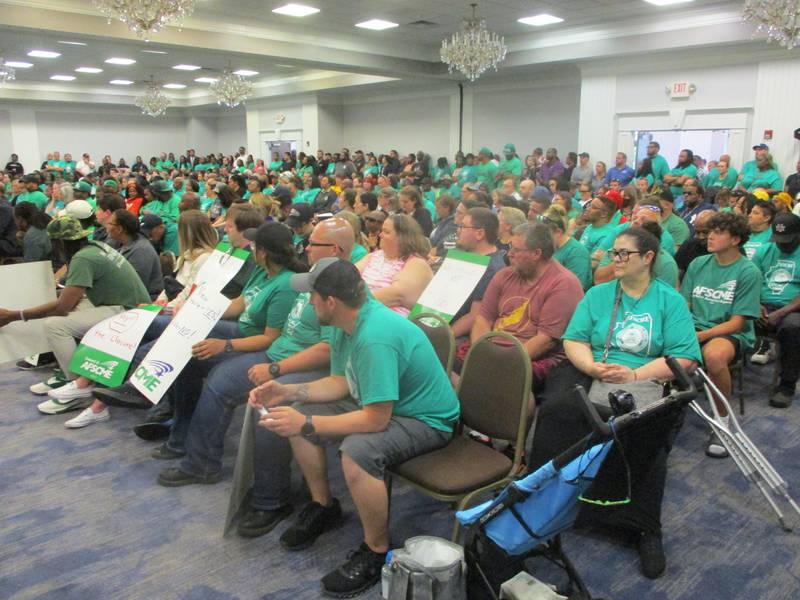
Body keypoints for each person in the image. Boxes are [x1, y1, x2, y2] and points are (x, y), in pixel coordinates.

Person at [248, 257, 460, 598]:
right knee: (299, 413)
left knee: (356, 452)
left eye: (313, 295)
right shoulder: (344, 322)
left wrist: (307, 423)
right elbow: (339, 382)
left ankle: (376, 552)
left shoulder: (374, 336)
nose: (309, 301)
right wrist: (289, 391)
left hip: (427, 419)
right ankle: (324, 506)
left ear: (330, 301)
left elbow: (375, 420)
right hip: (387, 405)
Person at [531, 225, 701, 580]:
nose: (616, 259)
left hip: (646, 375)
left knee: (643, 432)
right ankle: (549, 501)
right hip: (595, 369)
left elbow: (683, 357)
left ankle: (644, 528)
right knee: (556, 412)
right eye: (614, 253)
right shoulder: (598, 294)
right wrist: (592, 366)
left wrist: (634, 376)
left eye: (624, 253)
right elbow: (575, 340)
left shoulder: (669, 300)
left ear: (649, 258)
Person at [0, 216, 150, 419]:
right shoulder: (95, 247)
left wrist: (15, 315)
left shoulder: (83, 259)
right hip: (130, 307)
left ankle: (77, 388)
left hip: (128, 312)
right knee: (71, 316)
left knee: (55, 325)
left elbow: (62, 307)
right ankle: (75, 378)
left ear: (59, 242)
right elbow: (73, 299)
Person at [682, 212, 761, 457]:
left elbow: (737, 323)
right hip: (696, 326)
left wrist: (702, 336)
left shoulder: (748, 272)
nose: (710, 237)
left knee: (714, 356)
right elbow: (685, 305)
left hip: (728, 332)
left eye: (718, 232)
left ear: (735, 239)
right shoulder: (698, 264)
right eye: (709, 232)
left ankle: (722, 421)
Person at [471, 222, 583, 390]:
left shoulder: (563, 284)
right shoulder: (504, 275)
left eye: (516, 250)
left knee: (497, 379)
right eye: (510, 247)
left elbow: (545, 341)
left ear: (536, 253)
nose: (509, 254)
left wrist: (500, 363)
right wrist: (479, 353)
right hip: (493, 350)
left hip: (532, 357)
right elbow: (483, 318)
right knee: (443, 358)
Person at [750, 213, 800, 407]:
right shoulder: (764, 251)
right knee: (733, 317)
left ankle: (786, 385)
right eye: (778, 240)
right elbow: (751, 282)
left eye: (787, 240)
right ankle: (722, 372)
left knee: (793, 328)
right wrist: (755, 304)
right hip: (763, 304)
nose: (781, 245)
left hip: (793, 308)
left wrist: (781, 312)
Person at [448, 207, 508, 339]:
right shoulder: (465, 257)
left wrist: (444, 336)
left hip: (460, 335)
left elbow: (475, 315)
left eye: (463, 227)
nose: (458, 231)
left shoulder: (492, 269)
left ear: (480, 234)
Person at [356, 214, 432, 316]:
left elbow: (396, 295)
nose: (380, 235)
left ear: (403, 237)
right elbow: (349, 277)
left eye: (386, 232)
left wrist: (352, 307)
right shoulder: (373, 256)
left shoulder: (416, 263)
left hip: (384, 319)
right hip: (359, 312)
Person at [106, 209, 164, 301]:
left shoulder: (142, 251)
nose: (107, 226)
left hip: (143, 302)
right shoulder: (118, 243)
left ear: (119, 229)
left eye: (109, 223)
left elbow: (133, 287)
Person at [542, 205, 592, 290]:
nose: (541, 236)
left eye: (545, 233)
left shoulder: (577, 253)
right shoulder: (549, 246)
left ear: (558, 232)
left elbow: (574, 288)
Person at [579, 195, 618, 269]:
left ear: (604, 214)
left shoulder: (607, 235)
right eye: (589, 205)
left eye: (593, 207)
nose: (588, 209)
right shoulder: (590, 226)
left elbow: (593, 264)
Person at [675, 209, 714, 277]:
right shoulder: (688, 245)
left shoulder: (723, 249)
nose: (701, 237)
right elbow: (677, 275)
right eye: (697, 232)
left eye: (705, 232)